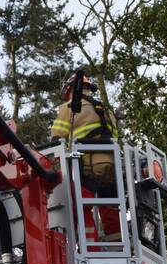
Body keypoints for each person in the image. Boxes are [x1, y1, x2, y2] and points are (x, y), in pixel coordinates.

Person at [49, 69, 122, 241]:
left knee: (82, 207)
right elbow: (116, 137)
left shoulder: (69, 108)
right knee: (110, 207)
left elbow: (56, 139)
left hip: (86, 166)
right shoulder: (104, 109)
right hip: (111, 166)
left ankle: (90, 245)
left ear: (70, 90)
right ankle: (117, 244)